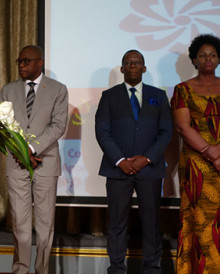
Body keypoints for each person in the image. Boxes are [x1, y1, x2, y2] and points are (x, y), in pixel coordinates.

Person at [95, 50, 172, 274]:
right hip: (117, 169)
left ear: (144, 68)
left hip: (150, 169)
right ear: (122, 68)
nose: (132, 65)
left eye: (137, 62)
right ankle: (117, 268)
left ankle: (151, 268)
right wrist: (120, 160)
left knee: (151, 223)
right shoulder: (109, 96)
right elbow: (102, 131)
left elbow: (166, 132)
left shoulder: (158, 95)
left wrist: (146, 158)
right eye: (128, 63)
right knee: (117, 223)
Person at [0, 45, 68, 274]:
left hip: (46, 163)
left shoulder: (58, 89)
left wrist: (32, 148)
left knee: (45, 224)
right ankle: (20, 269)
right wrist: (21, 151)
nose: (21, 65)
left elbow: (58, 125)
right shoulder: (8, 90)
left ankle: (42, 269)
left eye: (26, 61)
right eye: (19, 61)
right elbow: (3, 126)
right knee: (20, 223)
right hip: (17, 162)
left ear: (40, 63)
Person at [170, 34, 220, 273]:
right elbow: (182, 127)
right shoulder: (182, 90)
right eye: (202, 55)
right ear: (194, 60)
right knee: (199, 220)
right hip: (196, 164)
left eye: (212, 55)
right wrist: (213, 153)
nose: (207, 59)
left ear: (219, 59)